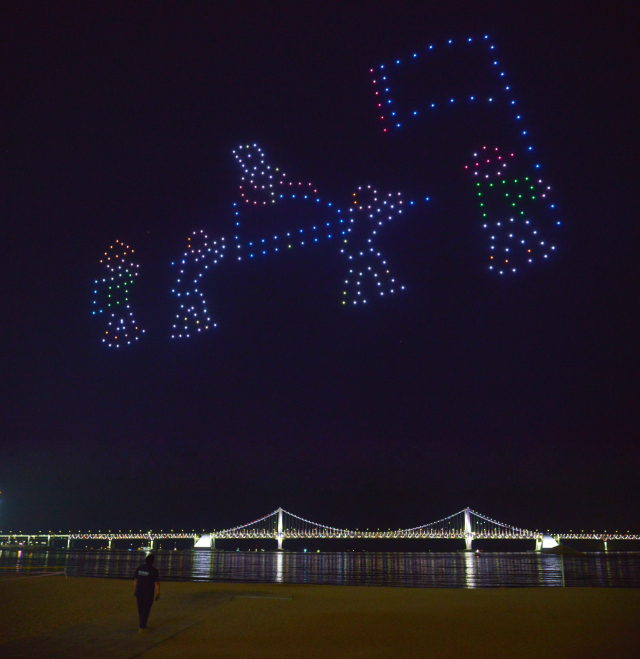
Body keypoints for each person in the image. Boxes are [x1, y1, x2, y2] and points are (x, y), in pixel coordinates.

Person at [133, 553, 160, 632]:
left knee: (140, 609)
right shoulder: (154, 570)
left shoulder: (139, 568)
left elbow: (135, 580)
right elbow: (156, 583)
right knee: (146, 609)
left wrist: (135, 590)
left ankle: (142, 625)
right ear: (152, 562)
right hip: (148, 593)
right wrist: (158, 593)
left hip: (139, 592)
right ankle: (142, 627)